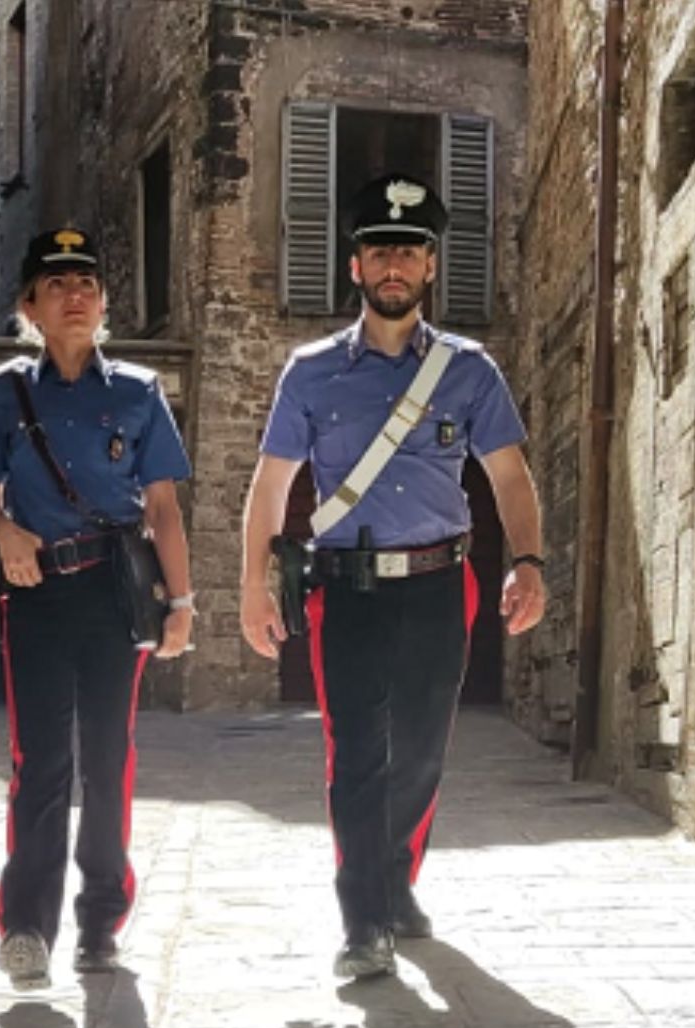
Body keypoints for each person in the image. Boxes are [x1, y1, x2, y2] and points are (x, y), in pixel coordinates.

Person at [238, 174, 547, 980]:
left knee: (420, 752)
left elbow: (510, 477)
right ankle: (364, 919)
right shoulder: (310, 373)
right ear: (356, 266)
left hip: (439, 584)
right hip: (348, 589)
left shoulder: (469, 370)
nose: (394, 265)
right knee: (355, 755)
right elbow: (270, 488)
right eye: (379, 251)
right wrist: (252, 587)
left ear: (430, 266)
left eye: (408, 251)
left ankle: (395, 881)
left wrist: (528, 562)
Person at [0, 227, 196, 990]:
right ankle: (26, 927)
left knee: (106, 757)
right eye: (57, 284)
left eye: (87, 285)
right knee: (39, 762)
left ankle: (100, 924)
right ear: (29, 306)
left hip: (111, 592)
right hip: (34, 594)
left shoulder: (138, 391)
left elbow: (162, 507)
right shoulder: (5, 391)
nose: (75, 296)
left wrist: (181, 603)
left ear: (102, 305)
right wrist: (5, 533)